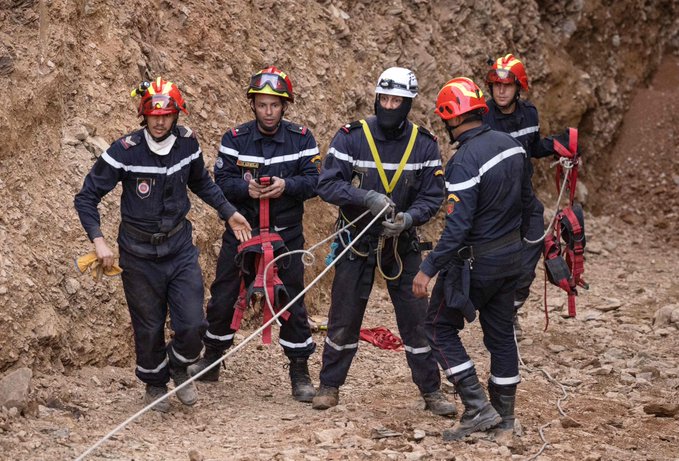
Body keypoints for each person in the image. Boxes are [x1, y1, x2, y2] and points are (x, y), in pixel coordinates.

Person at [74, 77, 251, 412]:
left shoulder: (187, 145)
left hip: (179, 249)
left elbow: (202, 182)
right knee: (149, 325)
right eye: (153, 114)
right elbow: (87, 198)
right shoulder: (124, 151)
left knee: (192, 323)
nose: (159, 121)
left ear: (176, 115)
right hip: (137, 255)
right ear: (143, 114)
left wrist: (229, 212)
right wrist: (98, 241)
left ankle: (178, 366)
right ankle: (155, 385)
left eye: (166, 114)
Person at [311, 67, 456, 417]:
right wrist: (365, 198)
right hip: (357, 239)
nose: (389, 106)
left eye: (397, 101)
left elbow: (433, 195)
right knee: (343, 316)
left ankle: (431, 391)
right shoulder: (351, 137)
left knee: (416, 318)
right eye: (385, 99)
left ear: (408, 104)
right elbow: (327, 184)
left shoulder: (423, 144)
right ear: (377, 99)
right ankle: (330, 386)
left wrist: (408, 218)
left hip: (401, 243)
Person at [187, 66, 320, 403]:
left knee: (291, 299)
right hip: (243, 232)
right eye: (262, 105)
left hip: (285, 235)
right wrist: (249, 190)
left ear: (284, 105)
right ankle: (212, 358)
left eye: (274, 105)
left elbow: (315, 181)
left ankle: (299, 369)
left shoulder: (302, 139)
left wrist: (285, 186)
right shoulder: (235, 140)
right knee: (224, 294)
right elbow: (222, 183)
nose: (268, 111)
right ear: (253, 105)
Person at [413, 77, 532, 440]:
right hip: (513, 258)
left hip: (479, 264)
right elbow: (528, 204)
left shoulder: (464, 161)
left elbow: (458, 228)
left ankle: (477, 407)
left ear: (451, 118)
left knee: (438, 327)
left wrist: (427, 269)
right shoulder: (512, 145)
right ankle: (505, 419)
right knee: (501, 337)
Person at [482, 54, 556, 339]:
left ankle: (509, 313)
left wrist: (558, 144)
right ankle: (490, 315)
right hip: (493, 202)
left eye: (507, 85)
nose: (501, 91)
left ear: (518, 87)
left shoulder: (530, 114)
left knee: (527, 265)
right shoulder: (481, 116)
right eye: (496, 85)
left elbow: (533, 147)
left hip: (525, 199)